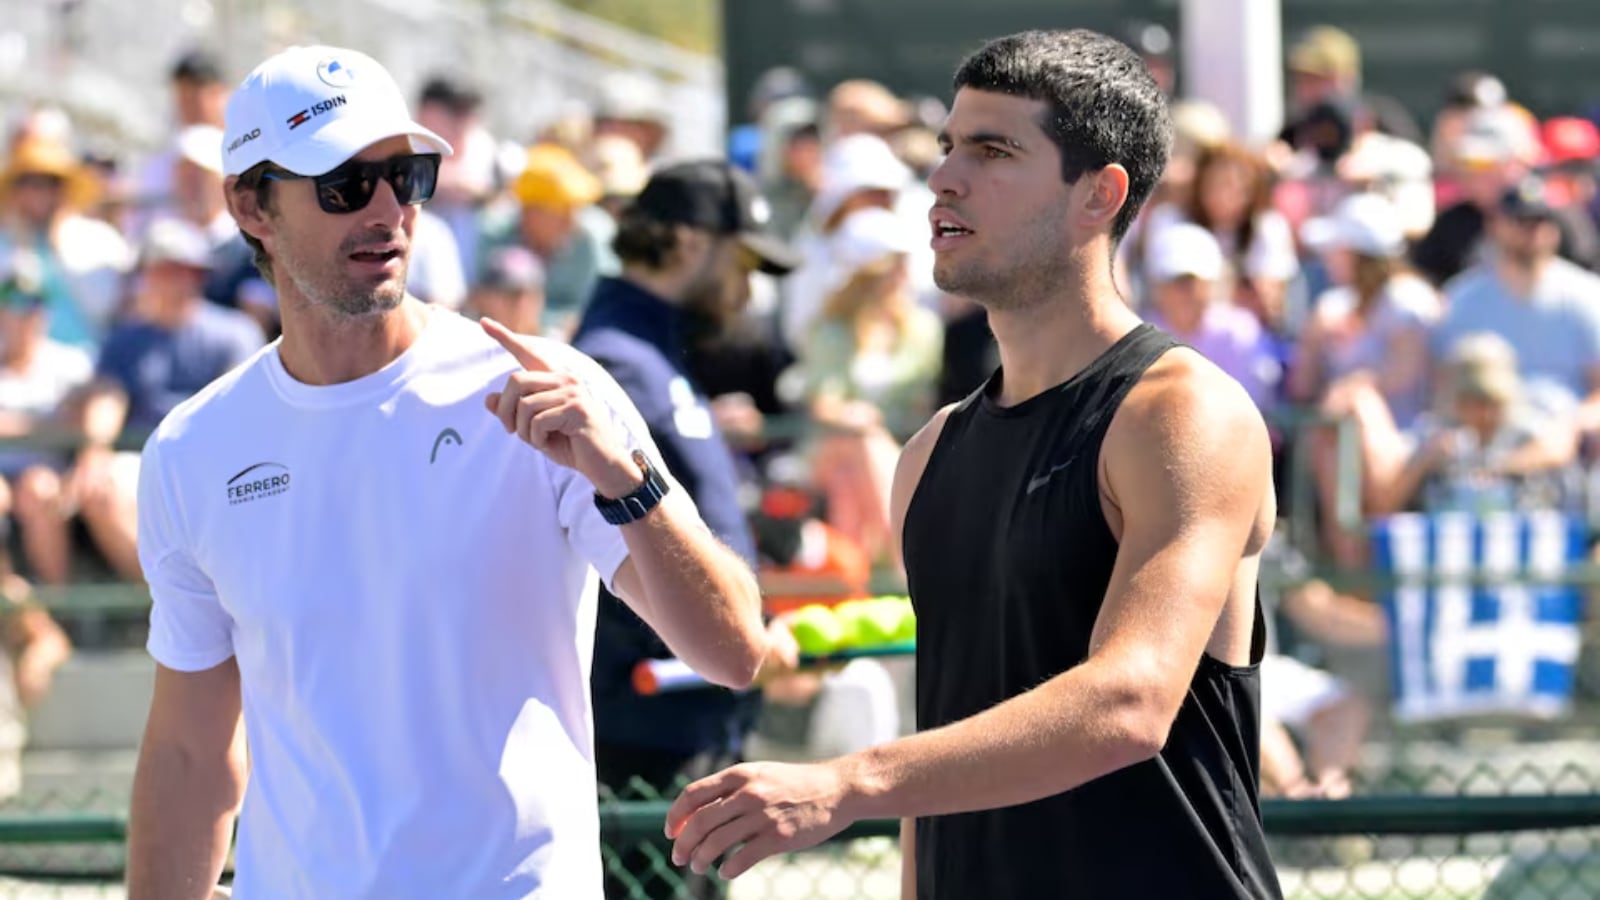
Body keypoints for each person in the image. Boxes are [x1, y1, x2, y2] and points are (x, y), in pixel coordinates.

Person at [124, 45, 770, 900]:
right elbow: (189, 751)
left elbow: (733, 651)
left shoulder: (545, 386)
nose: (387, 210)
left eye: (407, 176)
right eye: (345, 184)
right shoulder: (193, 448)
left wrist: (627, 482)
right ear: (250, 205)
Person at [663, 29, 1283, 899]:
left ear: (1099, 195)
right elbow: (946, 734)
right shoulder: (930, 454)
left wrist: (850, 782)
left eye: (993, 152)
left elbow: (1130, 703)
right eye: (949, 145)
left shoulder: (1181, 411)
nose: (944, 177)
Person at [570, 158, 803, 900]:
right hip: (644, 740)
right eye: (742, 264)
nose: (746, 290)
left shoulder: (648, 356)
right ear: (688, 242)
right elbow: (613, 551)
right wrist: (744, 642)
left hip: (678, 726)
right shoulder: (622, 364)